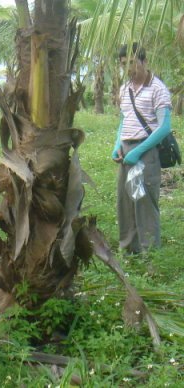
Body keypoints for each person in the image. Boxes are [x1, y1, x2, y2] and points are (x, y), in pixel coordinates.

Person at [112, 43, 172, 253]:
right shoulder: (125, 88)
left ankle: (150, 255)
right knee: (126, 201)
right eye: (123, 64)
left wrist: (138, 151)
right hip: (126, 151)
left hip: (146, 152)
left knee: (145, 203)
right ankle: (129, 251)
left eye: (132, 62)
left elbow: (164, 127)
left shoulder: (158, 88)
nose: (128, 68)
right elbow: (124, 120)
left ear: (144, 61)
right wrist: (118, 144)